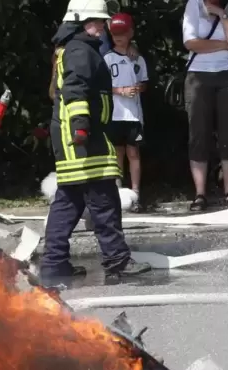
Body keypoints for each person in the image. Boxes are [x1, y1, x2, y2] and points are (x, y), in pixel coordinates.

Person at [40, 0, 150, 289]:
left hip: (73, 141)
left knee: (68, 201)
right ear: (77, 22)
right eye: (95, 21)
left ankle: (54, 264)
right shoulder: (80, 51)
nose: (102, 27)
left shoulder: (75, 49)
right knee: (105, 201)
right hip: (83, 141)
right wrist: (81, 129)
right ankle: (118, 261)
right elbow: (76, 91)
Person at [182, 0, 228, 212]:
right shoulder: (193, 4)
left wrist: (222, 14)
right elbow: (191, 42)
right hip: (199, 75)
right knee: (198, 133)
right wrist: (223, 44)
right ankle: (200, 194)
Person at [103, 12, 147, 212]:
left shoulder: (137, 58)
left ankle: (136, 193)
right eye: (114, 33)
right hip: (114, 114)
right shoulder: (107, 58)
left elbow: (144, 83)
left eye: (122, 33)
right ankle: (118, 192)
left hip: (133, 114)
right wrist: (120, 91)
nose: (118, 37)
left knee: (133, 152)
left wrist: (137, 88)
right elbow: (102, 86)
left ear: (130, 33)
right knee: (117, 153)